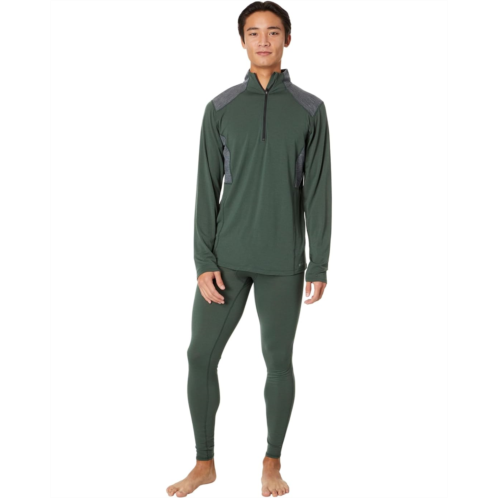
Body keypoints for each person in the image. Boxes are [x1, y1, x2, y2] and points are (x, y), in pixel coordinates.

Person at [167, 2, 331, 496]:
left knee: (278, 362)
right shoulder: (220, 108)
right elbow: (205, 188)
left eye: (273, 32)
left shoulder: (310, 109)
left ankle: (271, 462)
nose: (263, 40)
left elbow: (319, 191)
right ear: (242, 41)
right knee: (200, 355)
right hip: (227, 260)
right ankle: (204, 463)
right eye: (254, 32)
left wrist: (318, 262)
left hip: (284, 260)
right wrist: (203, 261)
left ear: (287, 39)